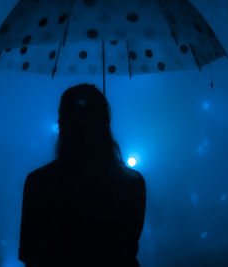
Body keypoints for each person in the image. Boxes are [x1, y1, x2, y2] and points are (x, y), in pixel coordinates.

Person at [19, 84, 146, 267]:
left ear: (62, 125)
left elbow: (30, 255)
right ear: (105, 124)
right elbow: (127, 246)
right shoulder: (132, 183)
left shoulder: (38, 182)